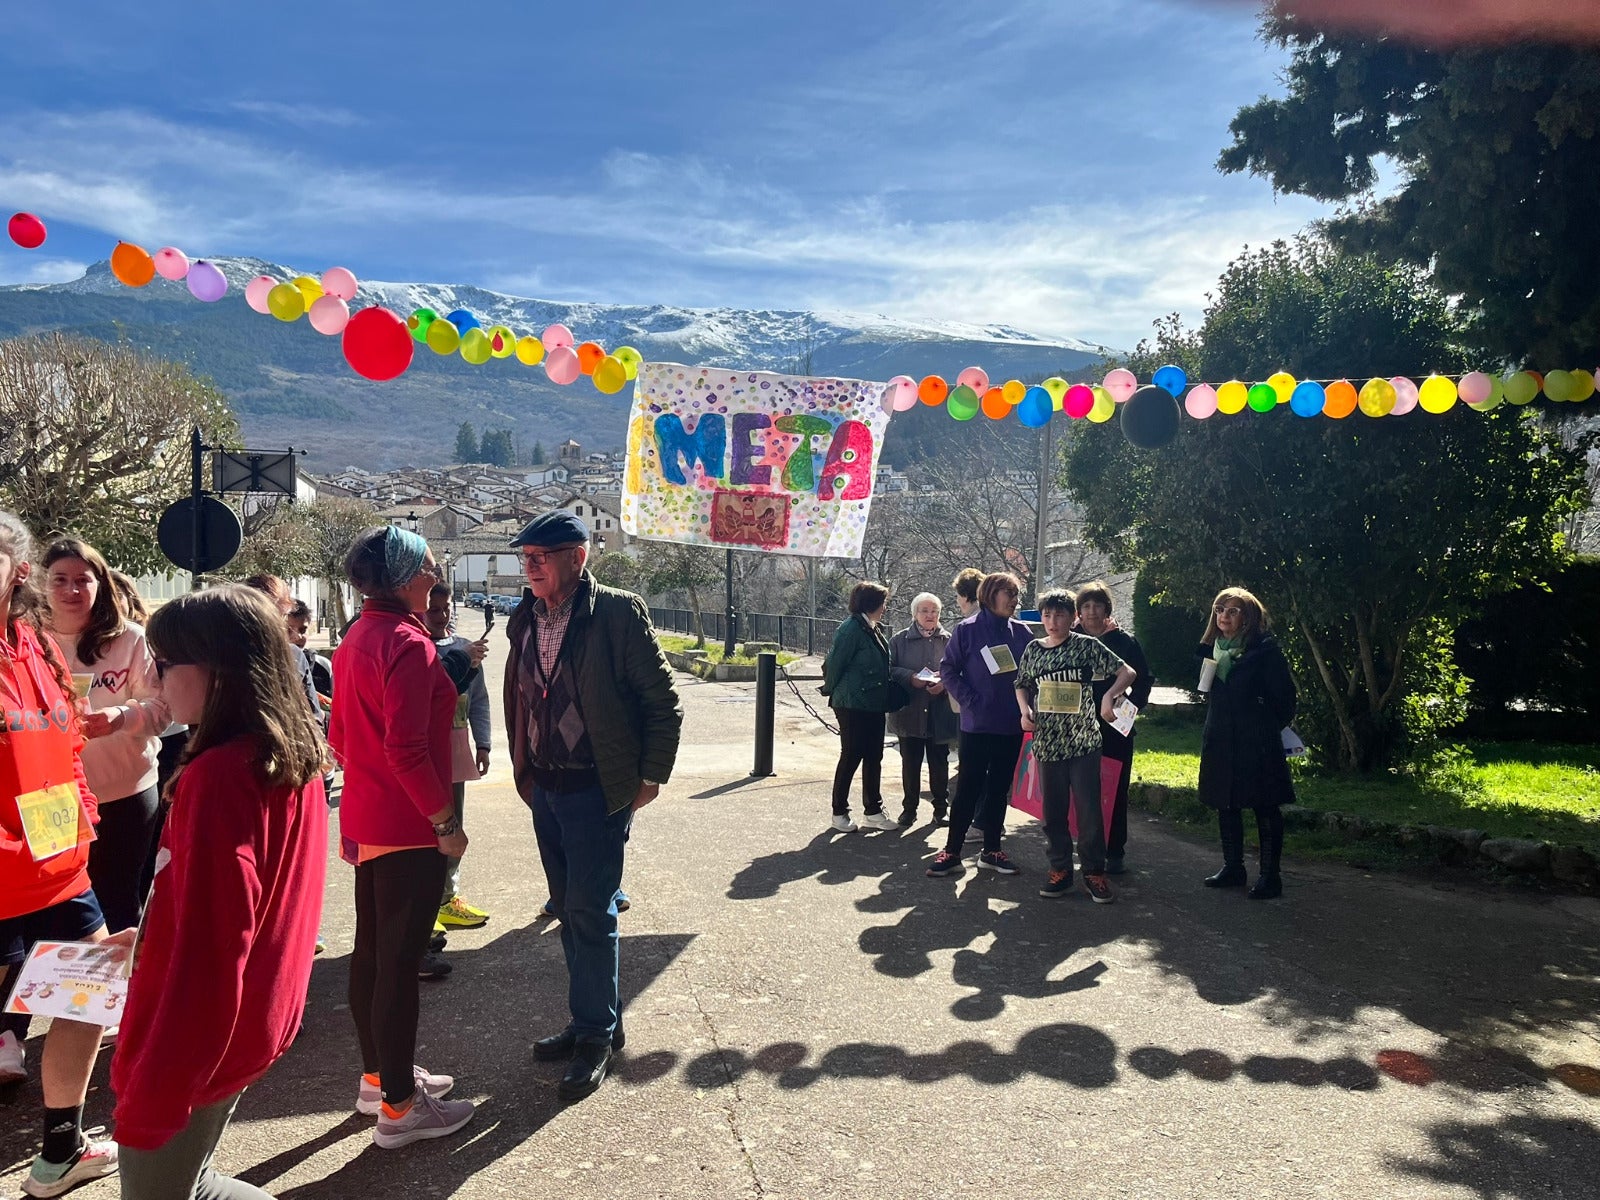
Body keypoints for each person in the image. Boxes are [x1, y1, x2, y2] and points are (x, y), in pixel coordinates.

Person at [111, 586, 329, 1199]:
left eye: (163, 663)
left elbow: (214, 945)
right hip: (251, 1017)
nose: (152, 680)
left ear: (215, 671)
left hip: (198, 1032)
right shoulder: (287, 750)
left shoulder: (217, 774)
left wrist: (159, 1071)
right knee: (193, 1180)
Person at [504, 511, 681, 1104]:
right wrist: (523, 770)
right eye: (525, 558)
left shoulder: (616, 612)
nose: (529, 568)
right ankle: (596, 1020)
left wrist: (651, 776)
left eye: (541, 558)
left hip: (596, 788)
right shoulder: (523, 617)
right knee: (568, 907)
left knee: (590, 909)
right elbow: (523, 695)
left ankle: (595, 1035)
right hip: (546, 788)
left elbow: (662, 702)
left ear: (576, 559)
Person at [328, 526, 475, 1147]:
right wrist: (445, 822)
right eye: (427, 569)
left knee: (372, 953)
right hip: (408, 821)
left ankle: (377, 1079)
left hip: (367, 812)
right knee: (400, 963)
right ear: (405, 578)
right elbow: (410, 750)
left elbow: (338, 735)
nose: (434, 578)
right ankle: (399, 1108)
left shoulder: (357, 636)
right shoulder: (408, 646)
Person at [0, 513, 119, 1197]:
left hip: (60, 871)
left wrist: (84, 824)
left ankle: (61, 1149)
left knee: (89, 996)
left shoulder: (37, 648)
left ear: (17, 570)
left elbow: (67, 745)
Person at [43, 538, 169, 934]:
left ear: (101, 584)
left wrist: (117, 718)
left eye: (83, 580)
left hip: (125, 794)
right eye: (59, 579)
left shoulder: (129, 638)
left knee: (117, 903)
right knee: (61, 905)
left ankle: (123, 993)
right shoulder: (25, 640)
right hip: (52, 798)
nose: (71, 590)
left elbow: (162, 710)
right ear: (40, 584)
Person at [1016, 589, 1138, 903]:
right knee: (1052, 812)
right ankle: (1060, 870)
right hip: (1048, 744)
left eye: (1060, 615)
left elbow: (1128, 671)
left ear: (1073, 618)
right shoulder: (1034, 649)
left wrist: (1109, 696)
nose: (1052, 621)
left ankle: (1094, 872)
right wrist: (1024, 710)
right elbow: (1021, 683)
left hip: (1083, 741)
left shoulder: (1086, 646)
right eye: (1047, 615)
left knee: (1088, 811)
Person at [927, 572, 1035, 878]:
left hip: (1011, 725)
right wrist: (970, 700)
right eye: (1009, 594)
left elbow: (1032, 674)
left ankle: (992, 850)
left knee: (999, 788)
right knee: (968, 788)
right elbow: (948, 670)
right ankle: (952, 851)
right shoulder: (967, 630)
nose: (1014, 600)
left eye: (1016, 594)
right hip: (977, 724)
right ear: (990, 595)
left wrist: (1029, 707)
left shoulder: (1023, 632)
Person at [1197, 587, 1297, 900]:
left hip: (1256, 741)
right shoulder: (1210, 649)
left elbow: (1285, 700)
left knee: (1264, 805)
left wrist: (1262, 724)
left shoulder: (1264, 650)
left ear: (1248, 617)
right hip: (1221, 738)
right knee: (1225, 802)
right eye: (1219, 610)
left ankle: (1270, 876)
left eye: (1232, 611)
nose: (1223, 617)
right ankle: (1233, 867)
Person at [421, 582, 492, 930]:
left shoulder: (464, 648)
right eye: (434, 609)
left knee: (455, 823)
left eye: (446, 607)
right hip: (423, 756)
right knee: (425, 831)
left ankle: (448, 898)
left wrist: (484, 744)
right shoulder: (416, 649)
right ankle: (425, 906)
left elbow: (478, 700)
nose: (442, 614)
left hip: (456, 752)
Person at [1074, 582, 1153, 874]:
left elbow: (1143, 679)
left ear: (1107, 609)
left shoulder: (1125, 642)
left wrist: (1129, 707)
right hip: (1077, 728)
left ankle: (1114, 850)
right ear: (1078, 612)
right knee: (1081, 789)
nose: (1091, 612)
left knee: (1115, 788)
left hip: (1115, 728)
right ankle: (1085, 846)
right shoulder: (1071, 640)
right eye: (1085, 606)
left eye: (1097, 605)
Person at [821, 582, 901, 833]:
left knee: (873, 755)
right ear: (872, 604)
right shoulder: (851, 630)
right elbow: (834, 665)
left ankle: (873, 810)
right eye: (883, 602)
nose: (885, 608)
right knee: (852, 754)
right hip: (853, 703)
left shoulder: (870, 628)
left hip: (872, 703)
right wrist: (832, 690)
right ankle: (839, 811)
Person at [887, 592, 956, 827]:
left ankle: (940, 809)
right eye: (925, 611)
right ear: (915, 613)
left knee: (939, 762)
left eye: (934, 611)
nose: (930, 616)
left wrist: (945, 684)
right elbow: (888, 669)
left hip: (939, 712)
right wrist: (910, 678)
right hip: (909, 711)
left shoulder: (949, 639)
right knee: (911, 762)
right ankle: (909, 809)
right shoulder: (899, 640)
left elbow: (959, 670)